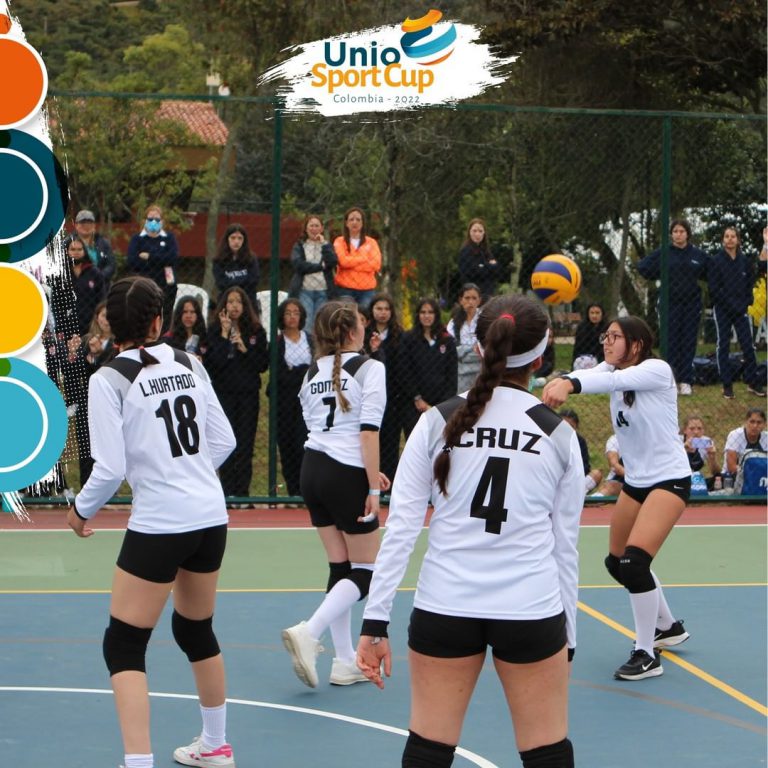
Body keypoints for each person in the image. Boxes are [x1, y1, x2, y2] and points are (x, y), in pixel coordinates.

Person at [357, 294, 581, 768]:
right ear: (541, 356)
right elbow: (566, 548)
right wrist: (570, 637)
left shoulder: (436, 420)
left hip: (446, 604)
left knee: (428, 749)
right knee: (547, 752)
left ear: (478, 349)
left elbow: (401, 529)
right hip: (529, 608)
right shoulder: (558, 434)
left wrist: (375, 622)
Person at [66, 275, 237, 768]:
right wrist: (189, 475)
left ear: (108, 324)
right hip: (209, 516)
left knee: (123, 644)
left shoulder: (108, 379)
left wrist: (80, 511)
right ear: (159, 320)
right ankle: (216, 744)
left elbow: (110, 468)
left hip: (162, 521)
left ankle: (138, 762)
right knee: (196, 630)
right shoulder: (189, 362)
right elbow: (224, 441)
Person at [543, 316, 691, 680]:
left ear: (636, 345)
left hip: (669, 480)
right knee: (617, 563)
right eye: (605, 336)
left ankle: (646, 653)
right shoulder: (611, 370)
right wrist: (564, 379)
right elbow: (598, 374)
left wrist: (569, 383)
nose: (607, 342)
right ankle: (668, 626)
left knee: (635, 564)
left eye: (615, 336)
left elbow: (610, 381)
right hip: (637, 482)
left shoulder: (656, 370)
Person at [281, 300, 389, 688]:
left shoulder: (311, 372)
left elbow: (325, 428)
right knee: (367, 573)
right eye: (362, 321)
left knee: (341, 568)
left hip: (313, 470)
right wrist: (371, 486)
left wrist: (369, 472)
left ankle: (344, 662)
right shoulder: (370, 368)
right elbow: (367, 431)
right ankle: (309, 632)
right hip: (347, 474)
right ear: (351, 331)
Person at [203, 286, 269, 501]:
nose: (234, 306)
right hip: (224, 394)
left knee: (245, 444)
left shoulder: (256, 331)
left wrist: (244, 348)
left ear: (245, 305)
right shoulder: (214, 331)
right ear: (224, 306)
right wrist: (224, 336)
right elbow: (213, 365)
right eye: (230, 301)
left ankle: (243, 494)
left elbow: (262, 365)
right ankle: (227, 492)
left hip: (248, 395)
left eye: (238, 302)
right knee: (226, 441)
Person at [636, 218, 708, 395]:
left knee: (688, 342)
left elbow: (710, 272)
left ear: (687, 234)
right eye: (675, 231)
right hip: (669, 304)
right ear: (671, 234)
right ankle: (670, 381)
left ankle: (686, 381)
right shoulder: (664, 252)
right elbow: (643, 267)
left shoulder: (697, 254)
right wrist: (658, 273)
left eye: (682, 231)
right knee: (671, 342)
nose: (678, 234)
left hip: (692, 304)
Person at [707, 226, 766, 398]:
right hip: (723, 310)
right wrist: (730, 304)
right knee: (723, 345)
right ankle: (727, 385)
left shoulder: (744, 261)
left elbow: (750, 284)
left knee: (748, 345)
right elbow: (714, 289)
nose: (730, 239)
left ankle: (753, 382)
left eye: (733, 236)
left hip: (741, 311)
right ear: (723, 240)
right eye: (726, 236)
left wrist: (745, 303)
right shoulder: (716, 261)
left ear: (738, 240)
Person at [399, 297, 458, 438]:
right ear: (418, 315)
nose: (427, 316)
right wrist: (417, 398)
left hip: (441, 404)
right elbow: (404, 371)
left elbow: (452, 375)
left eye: (431, 312)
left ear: (436, 315)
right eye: (423, 312)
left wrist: (443, 405)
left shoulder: (447, 340)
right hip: (414, 405)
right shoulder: (408, 339)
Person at [273, 298, 313, 497]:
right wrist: (301, 371)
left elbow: (314, 369)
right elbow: (280, 373)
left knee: (303, 443)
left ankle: (306, 489)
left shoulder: (310, 340)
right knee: (287, 445)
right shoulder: (278, 342)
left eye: (296, 313)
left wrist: (295, 370)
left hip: (307, 400)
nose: (292, 317)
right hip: (285, 401)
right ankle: (292, 491)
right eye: (288, 313)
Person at [365, 293, 404, 485]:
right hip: (370, 395)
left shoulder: (400, 335)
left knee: (390, 443)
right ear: (372, 310)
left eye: (387, 309)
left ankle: (388, 487)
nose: (383, 313)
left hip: (393, 398)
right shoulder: (364, 334)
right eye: (379, 308)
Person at [126, 204, 179, 333]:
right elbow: (133, 261)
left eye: (157, 219)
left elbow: (172, 259)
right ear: (144, 220)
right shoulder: (137, 239)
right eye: (150, 219)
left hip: (166, 285)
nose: (153, 222)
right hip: (143, 284)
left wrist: (149, 256)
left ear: (162, 221)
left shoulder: (169, 238)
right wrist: (161, 259)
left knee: (163, 316)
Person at [290, 214, 338, 329]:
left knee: (320, 325)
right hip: (305, 290)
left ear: (321, 228)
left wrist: (324, 244)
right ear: (306, 228)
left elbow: (332, 261)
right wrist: (320, 267)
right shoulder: (300, 246)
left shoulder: (326, 245)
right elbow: (299, 265)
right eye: (311, 226)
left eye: (317, 226)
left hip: (323, 290)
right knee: (306, 324)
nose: (314, 229)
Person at [333, 206, 381, 309]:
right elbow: (343, 262)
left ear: (362, 223)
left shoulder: (371, 242)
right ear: (346, 223)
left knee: (365, 317)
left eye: (358, 219)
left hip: (367, 290)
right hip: (345, 289)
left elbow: (376, 264)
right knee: (346, 317)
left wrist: (351, 262)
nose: (355, 222)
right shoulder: (339, 241)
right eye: (351, 219)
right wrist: (364, 259)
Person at [213, 223, 260, 308]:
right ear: (227, 239)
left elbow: (253, 281)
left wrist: (232, 283)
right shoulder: (218, 260)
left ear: (244, 241)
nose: (236, 241)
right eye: (233, 238)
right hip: (226, 300)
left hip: (248, 301)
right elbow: (221, 283)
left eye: (240, 238)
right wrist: (241, 282)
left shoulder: (251, 259)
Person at [446, 283, 482, 393]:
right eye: (467, 298)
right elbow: (452, 350)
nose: (470, 302)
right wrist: (473, 349)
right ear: (461, 300)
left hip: (482, 369)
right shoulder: (453, 324)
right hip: (461, 371)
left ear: (479, 301)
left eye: (474, 298)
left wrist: (464, 350)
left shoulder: (485, 319)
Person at [559, 408, 603, 494]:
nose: (567, 429)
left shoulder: (580, 441)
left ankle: (577, 494)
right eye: (564, 425)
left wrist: (573, 473)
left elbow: (585, 466)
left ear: (576, 427)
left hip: (574, 478)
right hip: (557, 477)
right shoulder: (551, 438)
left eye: (571, 426)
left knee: (596, 474)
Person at [457, 218, 500, 303]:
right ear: (469, 232)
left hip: (488, 294)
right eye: (474, 231)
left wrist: (483, 266)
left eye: (480, 231)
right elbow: (474, 272)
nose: (477, 234)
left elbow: (497, 270)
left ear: (484, 233)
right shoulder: (465, 251)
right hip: (472, 295)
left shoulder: (486, 251)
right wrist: (490, 266)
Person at [73, 209, 117, 287]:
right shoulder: (69, 243)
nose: (86, 226)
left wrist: (99, 276)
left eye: (89, 223)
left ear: (94, 225)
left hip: (101, 285)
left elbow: (111, 265)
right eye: (82, 222)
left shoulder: (104, 243)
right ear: (76, 225)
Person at [722, 407, 767, 476]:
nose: (755, 426)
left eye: (759, 422)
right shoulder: (735, 435)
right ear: (746, 422)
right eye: (752, 422)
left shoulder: (766, 437)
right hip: (733, 477)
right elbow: (731, 467)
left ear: (764, 424)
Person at [681, 414, 718, 480]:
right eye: (692, 429)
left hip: (695, 478)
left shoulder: (706, 443)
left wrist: (712, 458)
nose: (696, 432)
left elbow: (715, 473)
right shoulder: (677, 442)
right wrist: (683, 450)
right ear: (684, 430)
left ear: (703, 430)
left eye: (699, 428)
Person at [571, 303, 607, 368]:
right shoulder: (582, 327)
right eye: (592, 313)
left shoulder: (607, 328)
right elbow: (577, 348)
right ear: (588, 314)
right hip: (584, 359)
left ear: (602, 314)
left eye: (597, 313)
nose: (594, 316)